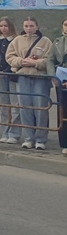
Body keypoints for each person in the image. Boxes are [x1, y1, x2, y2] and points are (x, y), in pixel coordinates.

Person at [5, 17, 54, 150]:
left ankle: (41, 139)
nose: (29, 28)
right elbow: (9, 56)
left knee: (40, 108)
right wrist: (20, 61)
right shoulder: (17, 40)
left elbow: (50, 59)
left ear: (37, 26)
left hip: (40, 78)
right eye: (26, 26)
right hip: (23, 76)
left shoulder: (46, 41)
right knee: (25, 108)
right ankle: (28, 138)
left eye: (31, 26)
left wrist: (36, 63)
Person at [51, 18, 67, 155]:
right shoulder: (57, 41)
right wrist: (53, 77)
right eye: (66, 24)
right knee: (62, 110)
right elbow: (50, 60)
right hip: (61, 80)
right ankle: (64, 143)